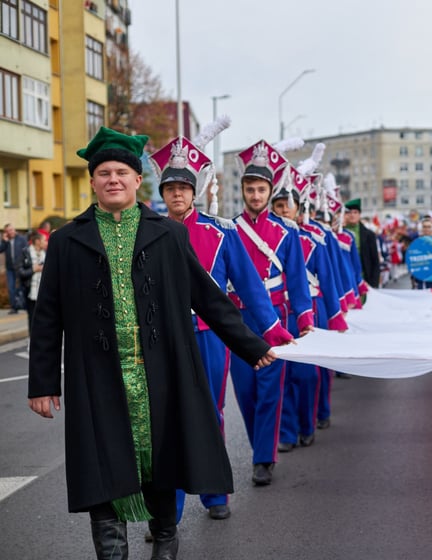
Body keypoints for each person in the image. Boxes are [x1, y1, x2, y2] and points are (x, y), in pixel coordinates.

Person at [27, 126, 278, 560]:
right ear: (92, 181)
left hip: (158, 372)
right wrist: (42, 382)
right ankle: (113, 552)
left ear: (136, 180)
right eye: (104, 172)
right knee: (104, 463)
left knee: (161, 460)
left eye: (122, 172)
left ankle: (165, 541)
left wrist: (252, 346)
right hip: (98, 377)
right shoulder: (67, 241)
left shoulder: (168, 235)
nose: (113, 180)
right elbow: (48, 316)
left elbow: (208, 297)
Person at [150, 135, 294, 521]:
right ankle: (169, 510)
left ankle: (215, 495)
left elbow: (249, 285)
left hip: (209, 336)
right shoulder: (148, 233)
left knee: (210, 412)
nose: (177, 194)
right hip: (164, 339)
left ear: (194, 192)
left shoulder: (221, 232)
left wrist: (271, 329)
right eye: (170, 188)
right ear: (162, 192)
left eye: (183, 187)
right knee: (166, 418)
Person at [231, 140, 314, 485]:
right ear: (243, 191)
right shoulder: (229, 229)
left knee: (269, 389)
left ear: (269, 190)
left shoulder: (286, 231)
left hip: (274, 319)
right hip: (237, 319)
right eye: (249, 189)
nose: (255, 194)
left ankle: (263, 458)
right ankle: (258, 445)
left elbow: (297, 279)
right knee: (246, 391)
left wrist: (305, 319)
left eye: (260, 189)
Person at [271, 171, 347, 451]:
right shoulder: (268, 237)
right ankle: (288, 433)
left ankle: (310, 421)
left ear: (297, 208)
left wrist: (337, 313)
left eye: (286, 206)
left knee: (308, 374)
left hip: (309, 308)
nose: (282, 211)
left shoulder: (314, 238)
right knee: (284, 374)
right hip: (278, 311)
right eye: (277, 206)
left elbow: (327, 276)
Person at [344, 198, 381, 290]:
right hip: (345, 277)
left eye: (355, 212)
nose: (352, 215)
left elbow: (375, 260)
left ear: (360, 214)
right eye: (349, 212)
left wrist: (373, 283)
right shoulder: (339, 232)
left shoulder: (369, 235)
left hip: (364, 278)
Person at [15, 230, 46, 333]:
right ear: (37, 241)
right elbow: (19, 272)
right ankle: (32, 342)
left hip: (43, 292)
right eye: (44, 240)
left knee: (44, 319)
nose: (46, 242)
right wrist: (33, 269)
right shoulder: (25, 252)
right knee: (32, 318)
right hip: (30, 292)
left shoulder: (45, 254)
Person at [0, 223, 27, 313]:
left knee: (21, 287)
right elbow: (1, 250)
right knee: (11, 288)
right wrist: (4, 241)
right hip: (10, 268)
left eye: (11, 230)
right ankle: (14, 307)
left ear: (14, 230)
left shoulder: (22, 239)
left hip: (20, 267)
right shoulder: (6, 241)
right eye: (8, 231)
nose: (10, 232)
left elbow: (26, 251)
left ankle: (24, 305)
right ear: (6, 232)